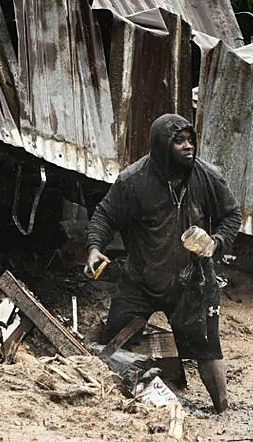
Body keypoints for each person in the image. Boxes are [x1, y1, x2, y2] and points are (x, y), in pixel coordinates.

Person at [86, 113, 242, 413]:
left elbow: (231, 215)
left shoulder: (206, 176)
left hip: (192, 283)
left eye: (190, 140)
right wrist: (94, 248)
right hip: (142, 279)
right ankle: (114, 407)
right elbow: (105, 215)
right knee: (113, 342)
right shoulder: (133, 181)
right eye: (178, 141)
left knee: (208, 349)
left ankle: (223, 412)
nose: (188, 147)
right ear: (161, 147)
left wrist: (217, 242)